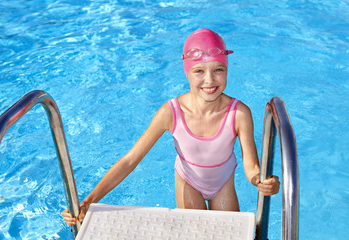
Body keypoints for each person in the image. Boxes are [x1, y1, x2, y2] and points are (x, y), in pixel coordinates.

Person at [61, 28, 280, 226]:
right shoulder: (171, 112)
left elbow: (251, 165)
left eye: (218, 70)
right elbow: (130, 160)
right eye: (199, 71)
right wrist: (89, 201)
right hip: (189, 182)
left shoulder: (239, 113)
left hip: (223, 184)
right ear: (187, 72)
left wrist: (261, 181)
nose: (210, 80)